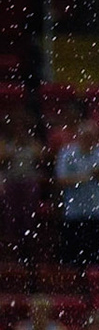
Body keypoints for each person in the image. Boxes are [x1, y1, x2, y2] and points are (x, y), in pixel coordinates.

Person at [54, 120, 99, 267]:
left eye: (92, 136)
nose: (89, 139)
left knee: (96, 258)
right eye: (86, 136)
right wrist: (86, 177)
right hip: (74, 211)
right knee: (72, 258)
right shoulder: (67, 153)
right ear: (79, 136)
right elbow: (61, 180)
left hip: (97, 211)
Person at [0, 109, 45, 257]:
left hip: (28, 182)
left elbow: (42, 159)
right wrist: (14, 148)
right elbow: (2, 160)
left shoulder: (34, 143)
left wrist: (27, 143)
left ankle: (28, 248)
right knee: (11, 215)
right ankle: (11, 249)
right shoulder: (5, 143)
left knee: (28, 216)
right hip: (11, 181)